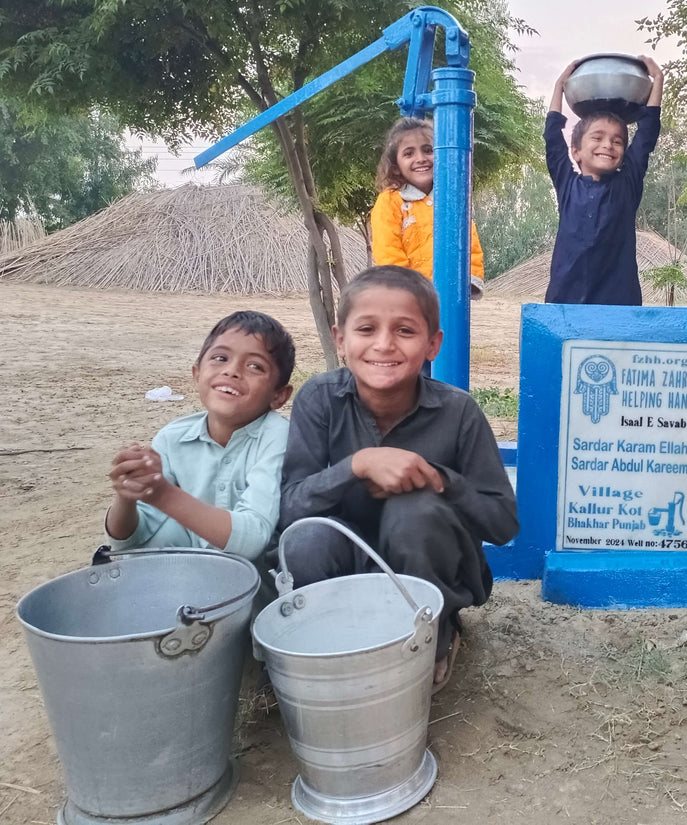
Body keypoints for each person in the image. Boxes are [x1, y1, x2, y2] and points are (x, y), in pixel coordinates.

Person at [277, 265, 518, 691]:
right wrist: (357, 465)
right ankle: (332, 646)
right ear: (341, 339)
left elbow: (502, 523)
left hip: (429, 570)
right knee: (306, 536)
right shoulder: (319, 400)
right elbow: (289, 506)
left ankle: (433, 638)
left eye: (405, 331)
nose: (384, 345)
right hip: (342, 566)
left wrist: (437, 479)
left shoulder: (459, 412)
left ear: (432, 344)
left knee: (416, 512)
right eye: (366, 329)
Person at [104, 311, 294, 562]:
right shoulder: (172, 439)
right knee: (161, 535)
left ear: (279, 396)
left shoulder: (278, 437)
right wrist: (127, 495)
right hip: (186, 582)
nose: (232, 371)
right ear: (197, 373)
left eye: (254, 366)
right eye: (220, 358)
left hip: (257, 589)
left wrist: (162, 494)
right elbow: (128, 544)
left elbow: (253, 539)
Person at [544, 55, 664, 305]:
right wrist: (558, 87)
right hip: (565, 301)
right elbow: (553, 139)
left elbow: (646, 135)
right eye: (597, 138)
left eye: (617, 141)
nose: (607, 145)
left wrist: (658, 80)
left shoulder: (627, 184)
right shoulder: (568, 185)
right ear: (575, 151)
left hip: (619, 305)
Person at [370, 116, 485, 300]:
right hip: (408, 299)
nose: (420, 159)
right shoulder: (391, 202)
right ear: (396, 166)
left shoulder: (451, 199)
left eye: (428, 150)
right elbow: (387, 250)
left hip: (450, 296)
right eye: (409, 154)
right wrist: (406, 288)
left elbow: (469, 240)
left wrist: (470, 279)